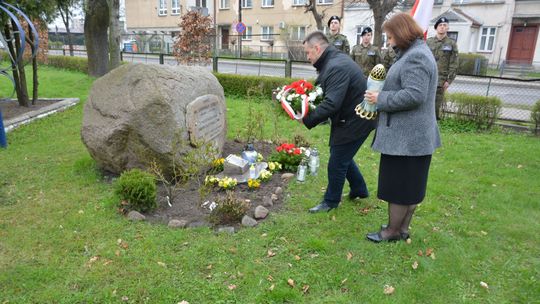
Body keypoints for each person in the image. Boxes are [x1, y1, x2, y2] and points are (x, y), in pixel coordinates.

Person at [363, 13, 441, 242]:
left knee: (399, 187)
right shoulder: (415, 52)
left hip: (407, 138)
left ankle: (392, 231)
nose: (388, 41)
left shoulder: (416, 56)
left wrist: (380, 99)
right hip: (412, 137)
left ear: (401, 33)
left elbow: (414, 95)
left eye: (390, 36)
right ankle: (402, 228)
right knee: (410, 186)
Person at [300, 31, 375, 213]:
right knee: (341, 154)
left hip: (356, 119)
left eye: (308, 53)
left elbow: (332, 102)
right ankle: (359, 189)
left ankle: (331, 201)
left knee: (337, 161)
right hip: (352, 116)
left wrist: (308, 119)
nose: (308, 57)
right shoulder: (333, 60)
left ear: (317, 48)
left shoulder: (336, 66)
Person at [427, 17, 459, 120]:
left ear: (448, 28)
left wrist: (448, 81)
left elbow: (454, 63)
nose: (442, 27)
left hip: (440, 81)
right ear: (436, 28)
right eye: (440, 25)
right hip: (427, 78)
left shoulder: (451, 44)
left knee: (435, 107)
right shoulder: (428, 42)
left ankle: (434, 126)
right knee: (424, 103)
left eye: (445, 25)